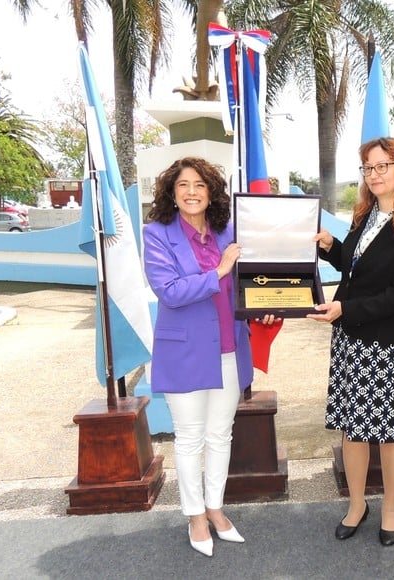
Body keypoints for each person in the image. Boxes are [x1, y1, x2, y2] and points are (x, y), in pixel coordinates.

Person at [143, 156, 277, 557]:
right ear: (171, 192)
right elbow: (169, 291)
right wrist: (218, 271)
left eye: (199, 185)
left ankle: (216, 509)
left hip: (229, 348)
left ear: (211, 192)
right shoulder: (157, 233)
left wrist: (263, 305)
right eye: (183, 185)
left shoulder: (227, 230)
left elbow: (250, 280)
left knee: (221, 435)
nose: (191, 192)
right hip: (183, 352)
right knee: (189, 438)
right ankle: (194, 515)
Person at [308, 137, 394, 547]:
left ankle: (391, 508)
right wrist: (332, 249)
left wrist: (346, 310)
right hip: (351, 341)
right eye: (368, 168)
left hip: (386, 345)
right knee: (354, 430)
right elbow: (357, 266)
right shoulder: (365, 216)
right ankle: (357, 504)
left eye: (383, 165)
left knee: (389, 433)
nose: (375, 174)